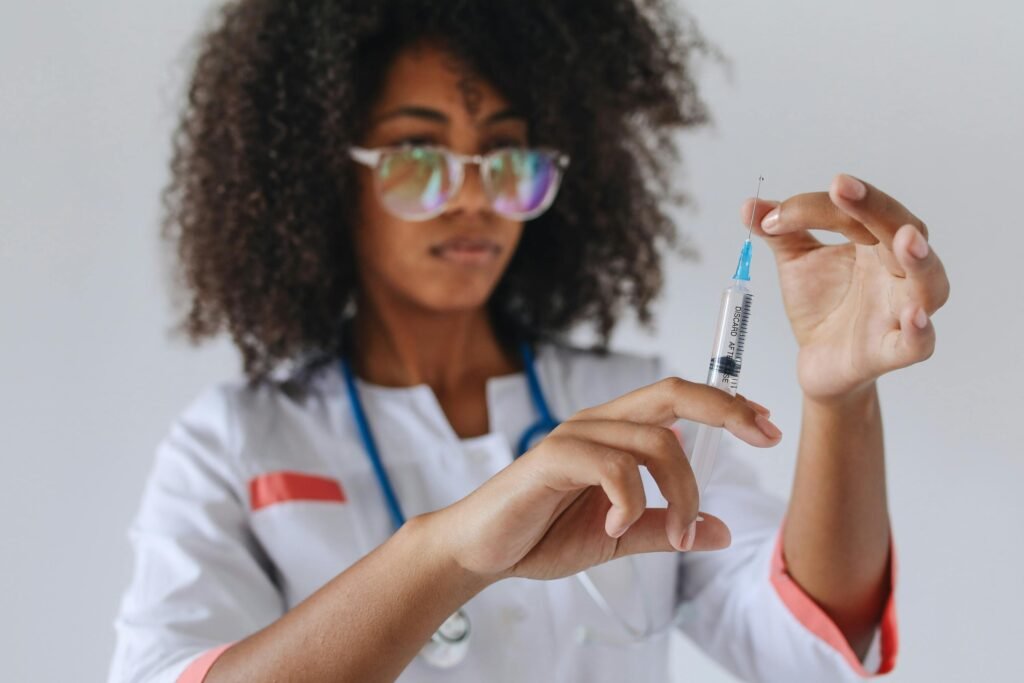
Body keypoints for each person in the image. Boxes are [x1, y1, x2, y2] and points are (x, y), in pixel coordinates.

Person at [108, 1, 950, 682]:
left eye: (504, 157)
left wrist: (837, 399)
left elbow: (814, 646)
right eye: (417, 154)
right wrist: (446, 554)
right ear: (322, 175)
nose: (472, 198)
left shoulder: (646, 408)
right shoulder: (234, 443)